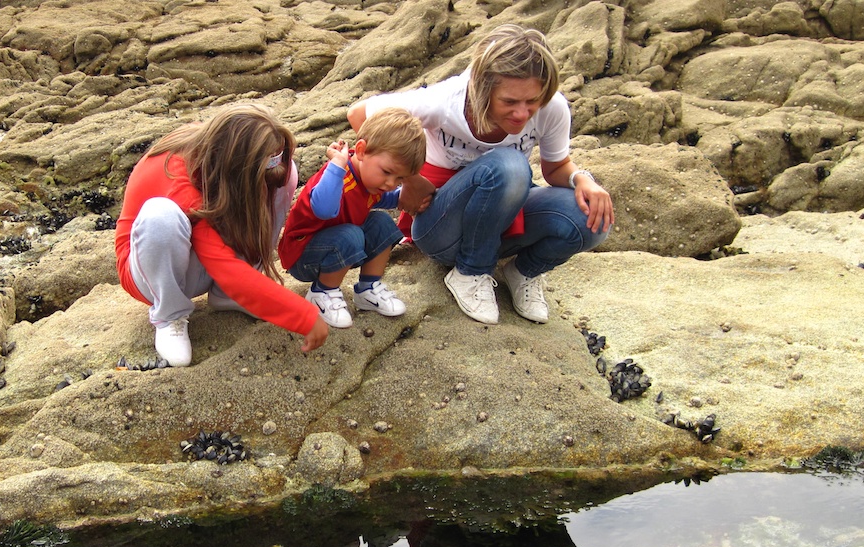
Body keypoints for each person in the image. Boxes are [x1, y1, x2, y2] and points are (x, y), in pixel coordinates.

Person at [347, 23, 615, 325]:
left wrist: (582, 179)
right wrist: (410, 179)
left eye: (532, 101)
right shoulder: (445, 102)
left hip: (500, 219)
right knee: (510, 165)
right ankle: (471, 272)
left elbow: (555, 168)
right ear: (483, 89)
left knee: (592, 220)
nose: (522, 113)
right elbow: (359, 115)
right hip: (441, 228)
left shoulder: (552, 108)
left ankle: (524, 272)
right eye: (509, 102)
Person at [115, 103, 329, 366]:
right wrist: (304, 316)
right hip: (150, 272)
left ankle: (227, 294)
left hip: (202, 256)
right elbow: (224, 267)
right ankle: (169, 314)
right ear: (232, 163)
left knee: (286, 173)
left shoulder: (219, 146)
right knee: (160, 216)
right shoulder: (180, 178)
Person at [279, 107, 427, 329]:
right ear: (361, 150)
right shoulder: (339, 174)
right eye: (387, 172)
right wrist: (337, 166)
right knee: (351, 234)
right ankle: (322, 293)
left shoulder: (370, 179)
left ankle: (368, 288)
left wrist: (402, 199)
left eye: (399, 179)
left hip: (340, 250)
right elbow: (323, 210)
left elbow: (377, 199)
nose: (390, 183)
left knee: (383, 224)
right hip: (303, 257)